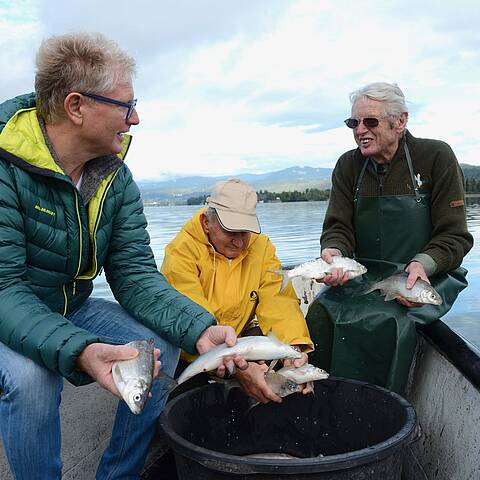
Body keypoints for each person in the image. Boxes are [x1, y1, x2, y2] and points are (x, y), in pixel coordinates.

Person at [0, 32, 247, 480]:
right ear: (76, 106)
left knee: (160, 345)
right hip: (6, 312)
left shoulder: (115, 178)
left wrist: (200, 328)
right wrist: (80, 350)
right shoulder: (4, 167)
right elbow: (4, 288)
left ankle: (119, 475)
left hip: (68, 307)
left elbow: (134, 274)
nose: (136, 118)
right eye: (126, 105)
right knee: (32, 380)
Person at [306, 82, 473, 394]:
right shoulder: (348, 165)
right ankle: (325, 400)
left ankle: (376, 407)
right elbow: (337, 228)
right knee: (321, 310)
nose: (359, 130)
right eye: (353, 123)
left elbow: (454, 237)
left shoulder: (436, 156)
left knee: (388, 321)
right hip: (365, 273)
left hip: (425, 276)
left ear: (401, 122)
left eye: (370, 121)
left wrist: (422, 263)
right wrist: (333, 252)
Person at [161, 178, 314, 403]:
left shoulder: (262, 248)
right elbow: (190, 310)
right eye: (230, 231)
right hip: (189, 348)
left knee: (292, 363)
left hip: (239, 341)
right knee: (182, 402)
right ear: (206, 222)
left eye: (246, 232)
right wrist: (236, 365)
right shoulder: (180, 252)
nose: (239, 243)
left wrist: (293, 349)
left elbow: (278, 300)